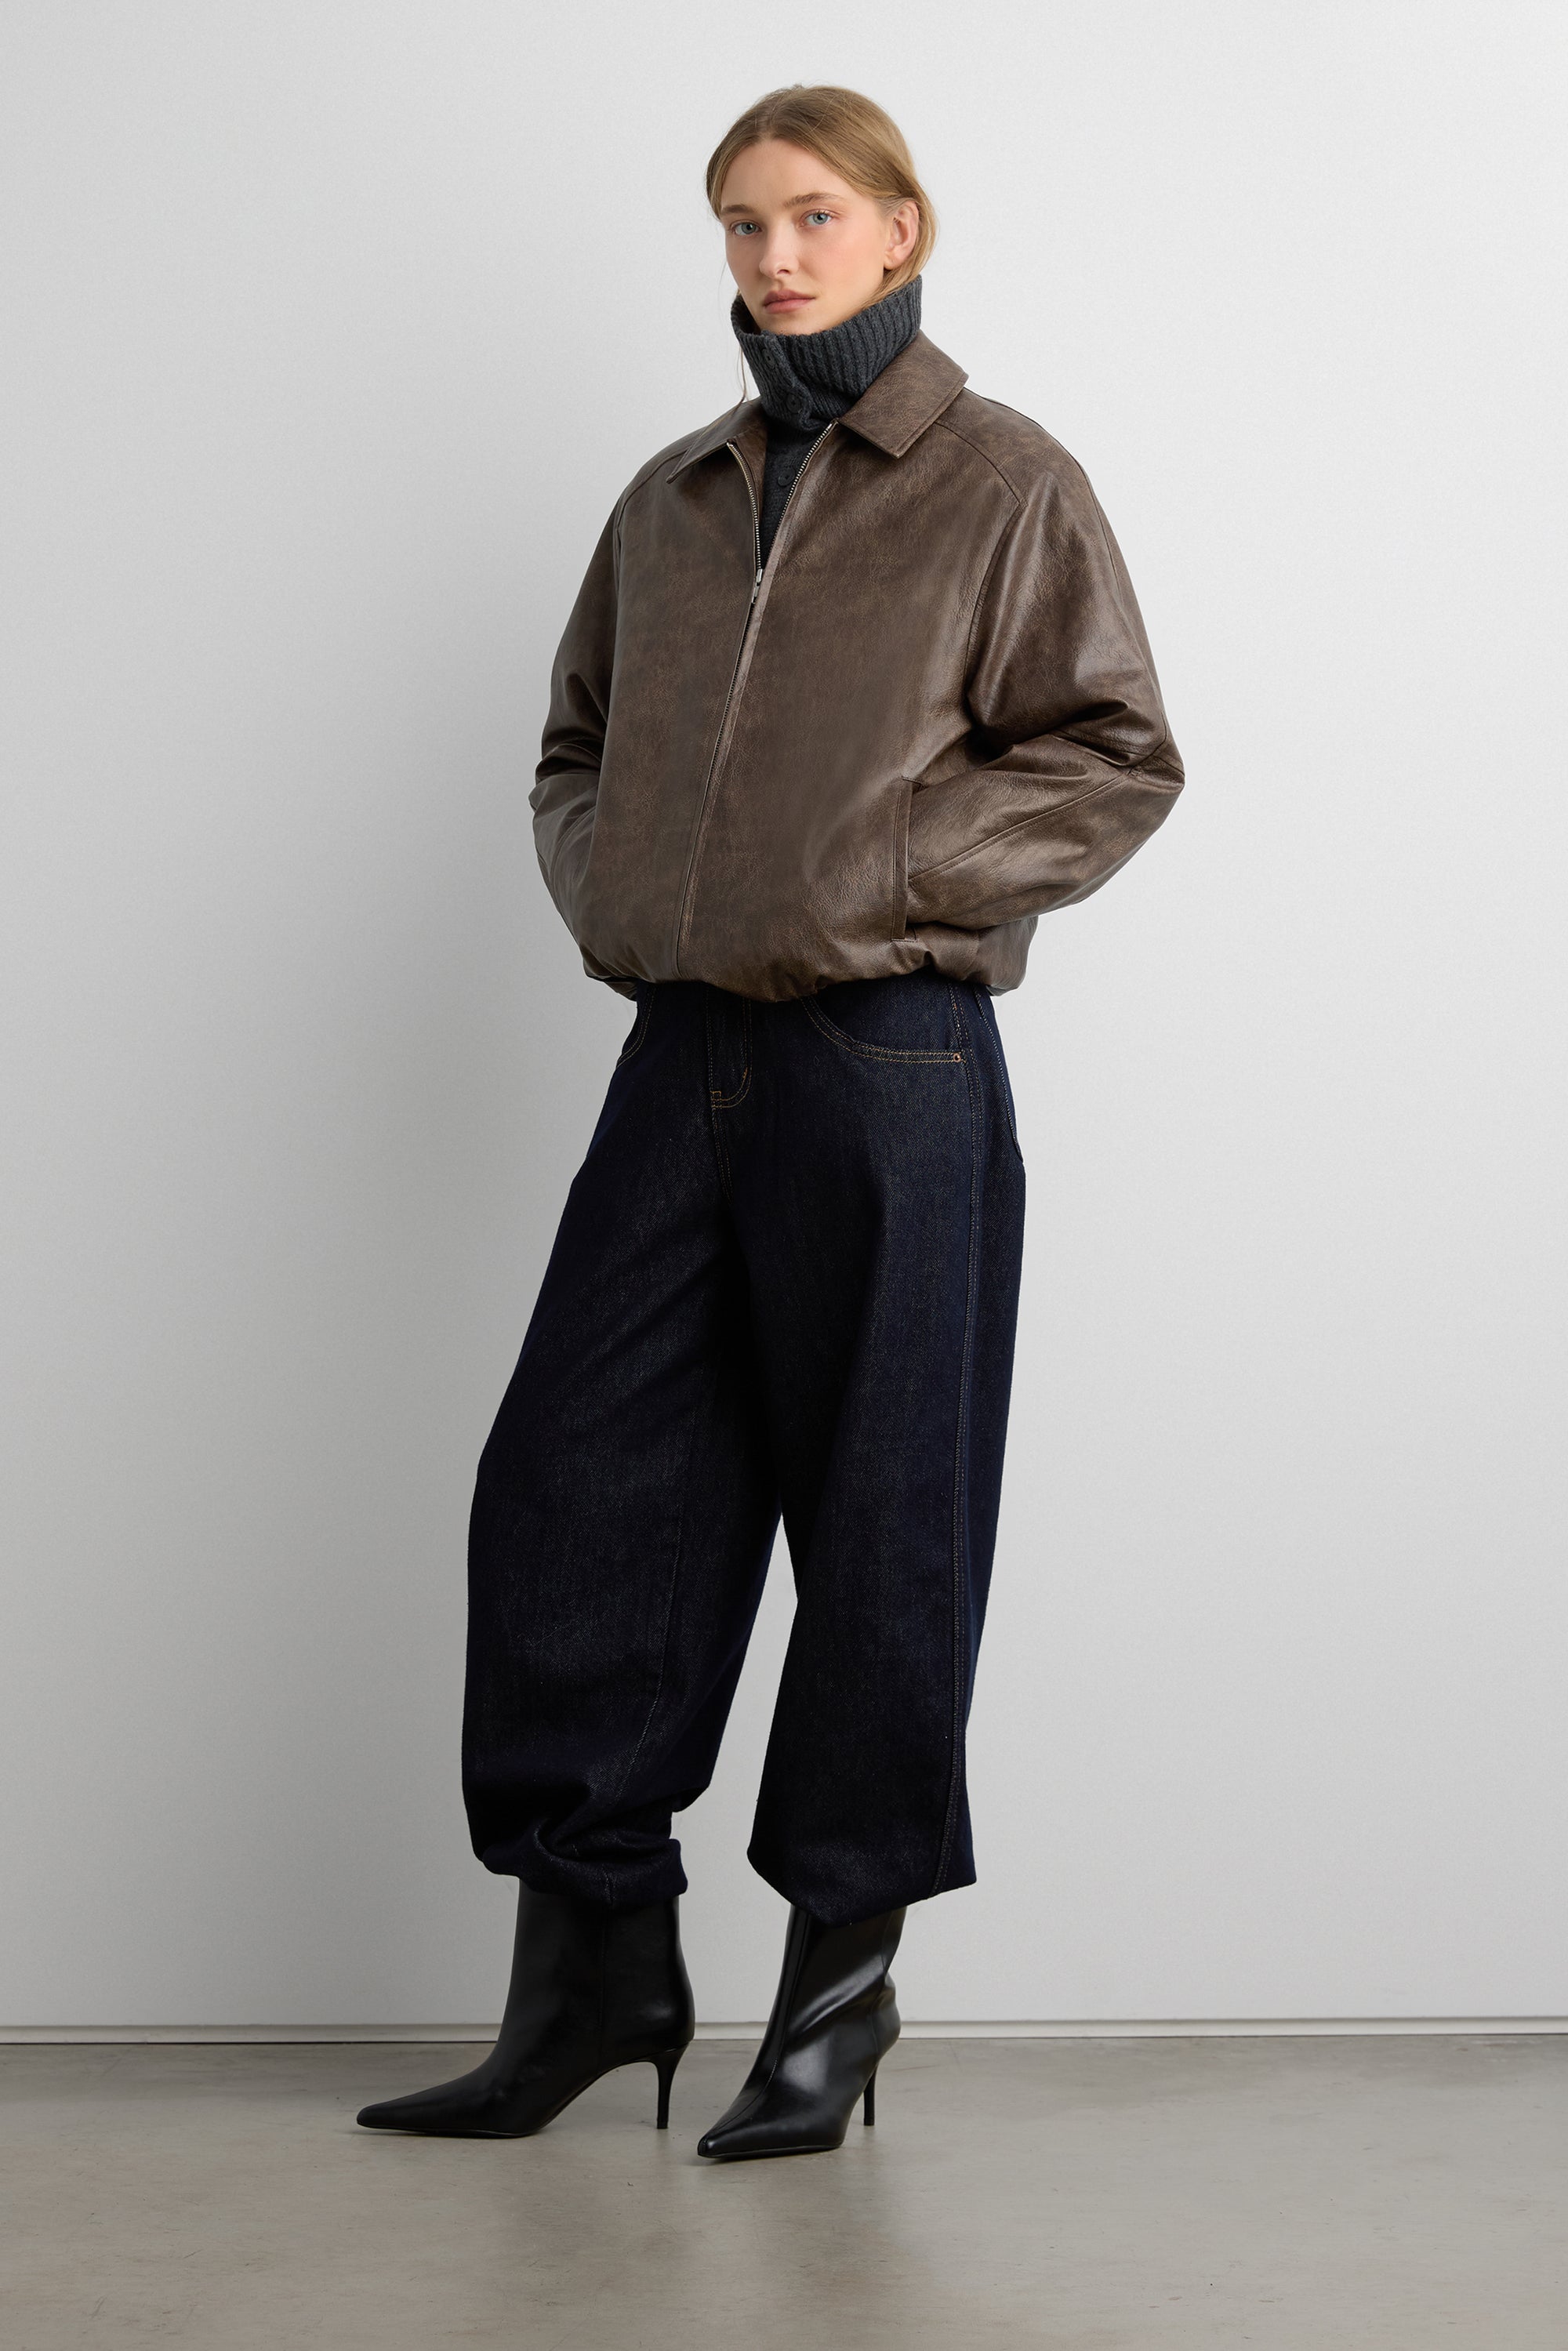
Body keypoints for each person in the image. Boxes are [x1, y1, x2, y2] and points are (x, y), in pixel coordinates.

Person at [358, 82, 1182, 2161]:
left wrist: (871, 871)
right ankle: (596, 1975)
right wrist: (620, 897)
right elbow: (574, 747)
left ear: (902, 229)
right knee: (574, 1487)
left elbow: (1116, 756)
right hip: (682, 1051)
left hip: (890, 1056)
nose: (775, 257)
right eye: (742, 222)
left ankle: (837, 1987)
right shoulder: (673, 498)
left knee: (885, 1515)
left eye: (814, 215)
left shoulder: (1002, 483)